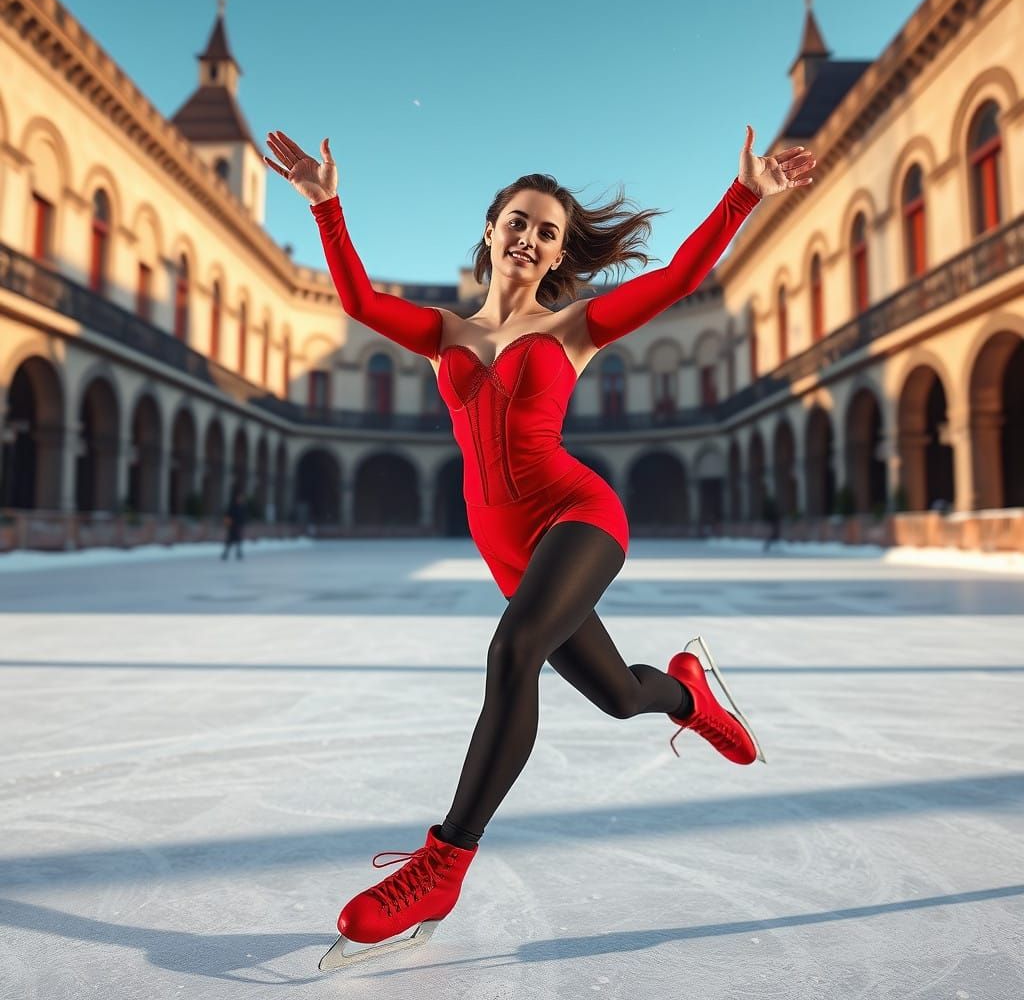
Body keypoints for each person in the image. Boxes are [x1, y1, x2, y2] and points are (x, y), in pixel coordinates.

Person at [263, 126, 815, 967]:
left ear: (559, 256)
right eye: (518, 221)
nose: (530, 237)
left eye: (548, 231)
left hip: (579, 514)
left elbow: (676, 280)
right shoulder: (445, 333)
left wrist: (743, 195)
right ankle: (690, 696)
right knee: (621, 696)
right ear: (491, 231)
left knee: (512, 651)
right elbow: (359, 305)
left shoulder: (575, 330)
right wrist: (324, 204)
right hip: (507, 550)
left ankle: (441, 863)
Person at [221, 488, 247, 560]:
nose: (240, 499)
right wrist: (228, 523)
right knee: (229, 540)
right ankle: (225, 553)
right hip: (232, 526)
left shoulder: (242, 507)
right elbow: (228, 515)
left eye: (241, 498)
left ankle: (238, 553)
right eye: (239, 498)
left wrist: (242, 524)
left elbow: (243, 516)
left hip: (238, 526)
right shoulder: (233, 506)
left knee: (238, 541)